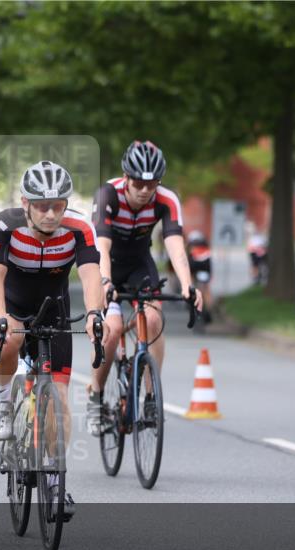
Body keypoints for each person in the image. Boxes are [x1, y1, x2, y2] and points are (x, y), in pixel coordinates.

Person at [0, 160, 107, 518]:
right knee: (9, 342)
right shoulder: (3, 225)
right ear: (25, 203)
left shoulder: (80, 228)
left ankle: (54, 480)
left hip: (54, 306)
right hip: (11, 302)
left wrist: (96, 313)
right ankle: (1, 398)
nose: (51, 214)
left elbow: (90, 275)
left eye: (58, 206)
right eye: (42, 206)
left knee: (59, 397)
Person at [87, 140, 202, 436]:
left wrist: (188, 286)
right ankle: (96, 396)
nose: (144, 190)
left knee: (152, 319)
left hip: (139, 263)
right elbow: (101, 245)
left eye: (151, 184)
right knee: (111, 330)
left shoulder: (166, 200)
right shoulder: (107, 194)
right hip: (106, 261)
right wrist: (105, 283)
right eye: (138, 183)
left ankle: (151, 397)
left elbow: (175, 246)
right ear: (126, 177)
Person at [186, 230, 213, 325]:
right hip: (205, 268)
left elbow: (189, 264)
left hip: (195, 267)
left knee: (191, 285)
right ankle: (209, 310)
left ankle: (191, 300)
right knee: (207, 290)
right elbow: (209, 265)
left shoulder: (191, 247)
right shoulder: (206, 247)